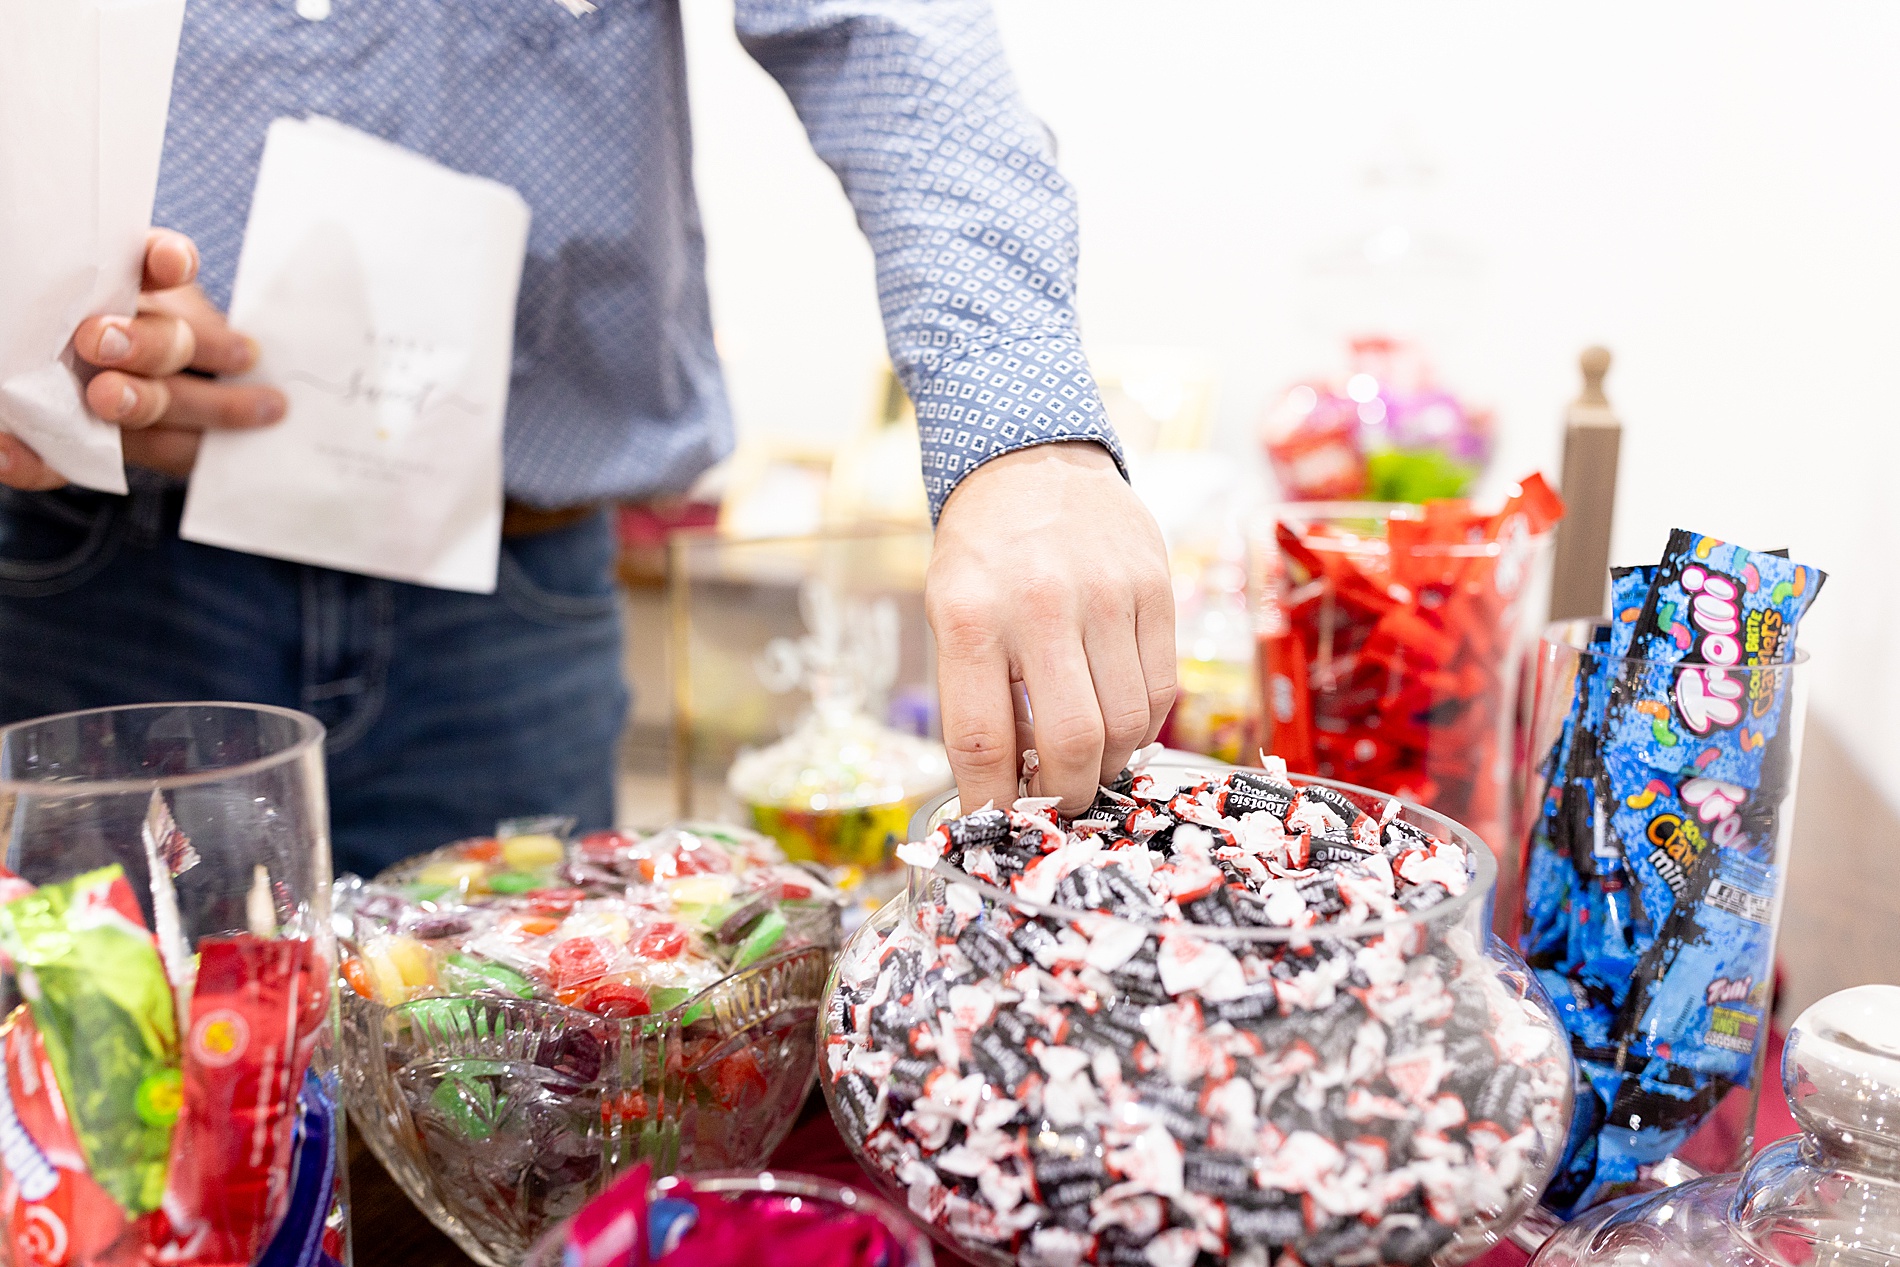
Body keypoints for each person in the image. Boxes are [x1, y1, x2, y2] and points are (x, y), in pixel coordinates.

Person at [0, 0, 1173, 877]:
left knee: (526, 1111)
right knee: (92, 1134)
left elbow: (881, 25)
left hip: (511, 602)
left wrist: (1021, 435)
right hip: (82, 569)